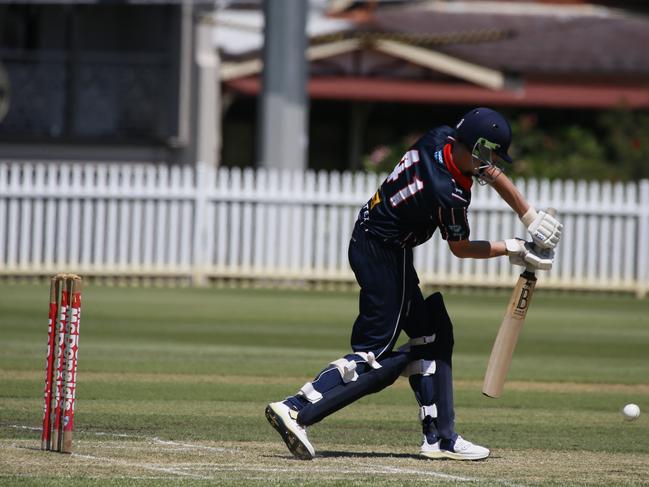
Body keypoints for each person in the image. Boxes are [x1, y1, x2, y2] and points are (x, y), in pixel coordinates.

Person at [265, 107, 562, 461]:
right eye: (489, 153)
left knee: (432, 332)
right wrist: (513, 248)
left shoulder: (440, 138)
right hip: (380, 253)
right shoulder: (448, 193)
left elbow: (490, 171)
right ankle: (296, 408)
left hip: (385, 245)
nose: (491, 164)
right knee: (375, 354)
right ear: (475, 146)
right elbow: (460, 249)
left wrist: (528, 215)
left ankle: (440, 438)